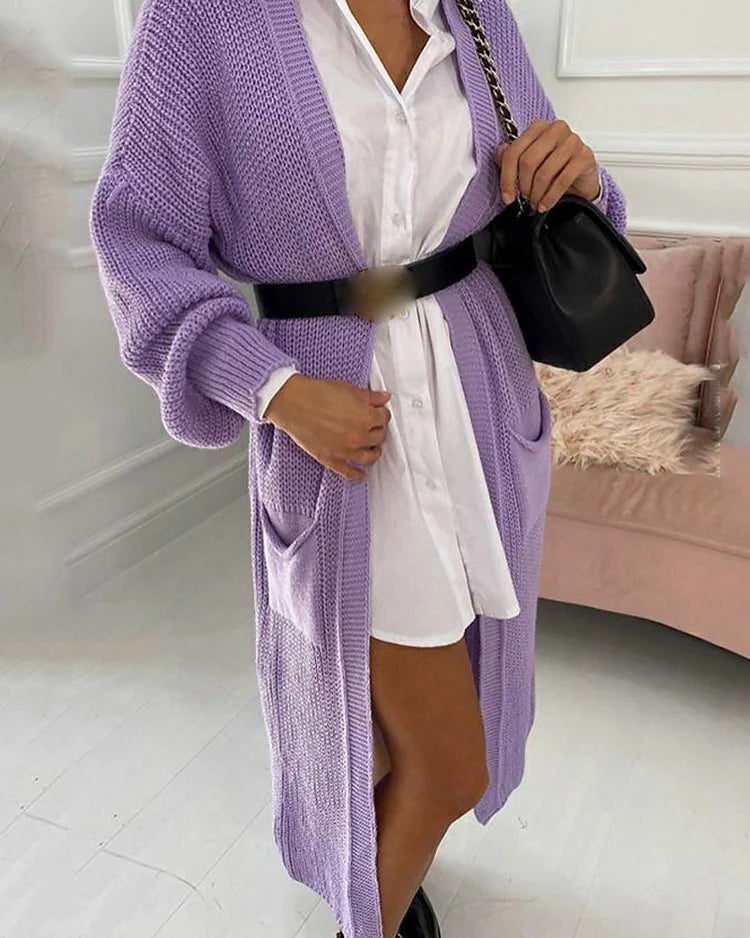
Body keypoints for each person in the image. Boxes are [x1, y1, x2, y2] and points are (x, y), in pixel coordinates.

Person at [89, 1, 627, 937]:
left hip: (478, 405)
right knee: (448, 763)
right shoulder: (202, 21)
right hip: (343, 433)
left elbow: (538, 191)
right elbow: (136, 242)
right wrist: (273, 388)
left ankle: (383, 878)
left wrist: (577, 176)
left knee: (406, 726)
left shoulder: (474, 11)